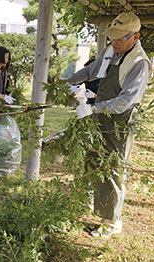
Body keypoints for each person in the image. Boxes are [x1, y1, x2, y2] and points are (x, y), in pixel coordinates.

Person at [68, 12, 152, 237]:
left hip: (121, 123)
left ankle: (112, 222)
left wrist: (94, 107)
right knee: (94, 160)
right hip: (102, 116)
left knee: (112, 168)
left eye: (119, 39)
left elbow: (125, 101)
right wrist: (68, 83)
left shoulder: (139, 64)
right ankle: (92, 207)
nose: (113, 42)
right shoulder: (112, 51)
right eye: (111, 38)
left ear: (134, 38)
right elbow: (91, 70)